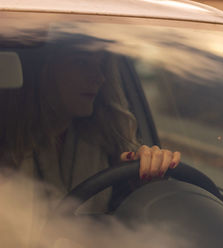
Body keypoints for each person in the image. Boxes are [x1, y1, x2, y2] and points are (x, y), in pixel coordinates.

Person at [0, 40, 181, 212]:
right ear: (42, 69)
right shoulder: (6, 145)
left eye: (101, 65)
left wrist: (147, 179)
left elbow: (130, 227)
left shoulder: (108, 149)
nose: (99, 78)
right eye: (81, 62)